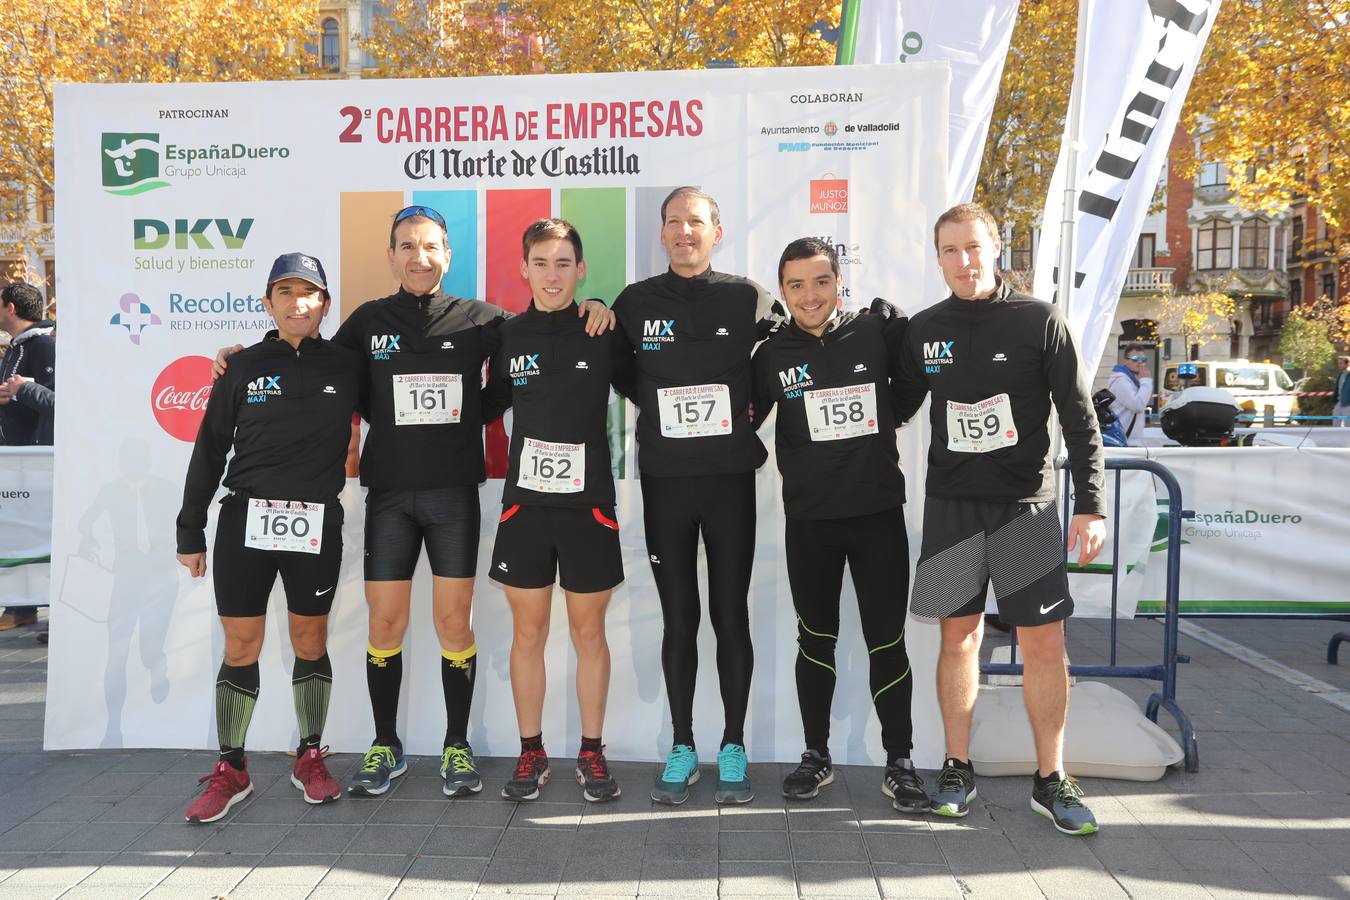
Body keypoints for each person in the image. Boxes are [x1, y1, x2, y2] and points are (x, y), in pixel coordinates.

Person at [213, 206, 612, 799]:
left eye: (430, 247)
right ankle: (385, 743)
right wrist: (250, 354)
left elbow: (541, 329)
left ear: (447, 256)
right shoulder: (368, 321)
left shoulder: (484, 321)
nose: (419, 257)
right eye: (406, 246)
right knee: (385, 622)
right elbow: (313, 353)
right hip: (390, 496)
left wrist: (595, 305)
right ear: (392, 255)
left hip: (454, 494)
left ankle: (457, 745)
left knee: (454, 622)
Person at [895, 202, 1107, 836]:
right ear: (937, 259)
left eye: (974, 248)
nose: (964, 261)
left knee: (1044, 643)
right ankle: (955, 766)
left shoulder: (1039, 320)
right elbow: (894, 403)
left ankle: (1051, 777)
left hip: (1025, 507)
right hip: (953, 507)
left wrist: (1091, 504)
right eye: (950, 251)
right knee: (957, 636)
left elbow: (1079, 417)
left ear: (996, 249)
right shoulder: (925, 328)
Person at [611, 186, 784, 805]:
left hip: (730, 482)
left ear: (717, 231)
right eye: (674, 222)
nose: (685, 231)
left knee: (730, 614)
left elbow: (785, 361)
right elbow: (625, 376)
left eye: (697, 222)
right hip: (665, 485)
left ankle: (732, 743)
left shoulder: (748, 296)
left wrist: (745, 418)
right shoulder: (634, 303)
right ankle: (683, 744)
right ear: (662, 234)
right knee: (680, 619)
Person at [176, 253, 359, 822]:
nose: (297, 303)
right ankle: (233, 769)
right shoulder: (241, 366)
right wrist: (190, 527)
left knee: (310, 640)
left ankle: (309, 756)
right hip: (245, 523)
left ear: (325, 304)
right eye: (286, 292)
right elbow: (209, 449)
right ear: (268, 303)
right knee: (241, 646)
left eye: (309, 293)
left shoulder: (351, 366)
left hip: (316, 521)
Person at [749, 238, 928, 812]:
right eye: (796, 285)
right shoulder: (771, 354)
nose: (809, 295)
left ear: (839, 282)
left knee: (887, 641)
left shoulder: (875, 333)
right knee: (816, 639)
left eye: (820, 281)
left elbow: (906, 396)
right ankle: (816, 756)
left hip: (878, 516)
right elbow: (744, 419)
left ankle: (899, 762)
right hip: (810, 522)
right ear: (782, 290)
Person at [480, 218, 635, 802]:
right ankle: (531, 752)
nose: (552, 274)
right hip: (525, 509)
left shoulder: (602, 329)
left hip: (589, 506)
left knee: (589, 633)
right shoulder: (506, 335)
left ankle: (592, 753)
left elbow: (652, 384)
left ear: (581, 270)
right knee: (528, 632)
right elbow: (484, 403)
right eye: (540, 263)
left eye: (563, 263)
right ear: (523, 269)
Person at [0, 281, 56, 633]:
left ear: (11, 308)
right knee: (20, 531)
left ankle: (36, 607)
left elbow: (59, 400)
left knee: (42, 533)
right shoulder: (14, 349)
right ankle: (21, 607)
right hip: (19, 462)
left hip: (40, 460)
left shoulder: (45, 345)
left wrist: (22, 390)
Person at [1106, 347, 1153, 444]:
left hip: (1129, 439)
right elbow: (1138, 405)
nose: (1140, 362)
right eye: (1135, 359)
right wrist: (1146, 381)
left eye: (1143, 359)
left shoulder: (1132, 380)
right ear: (1126, 361)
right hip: (1125, 440)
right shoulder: (1121, 381)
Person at [1333, 356, 1350, 428]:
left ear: (1347, 364)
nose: (1339, 365)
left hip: (1348, 404)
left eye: (1341, 363)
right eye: (1338, 363)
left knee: (1348, 425)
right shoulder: (1340, 375)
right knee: (1335, 424)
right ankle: (1335, 439)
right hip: (1339, 402)